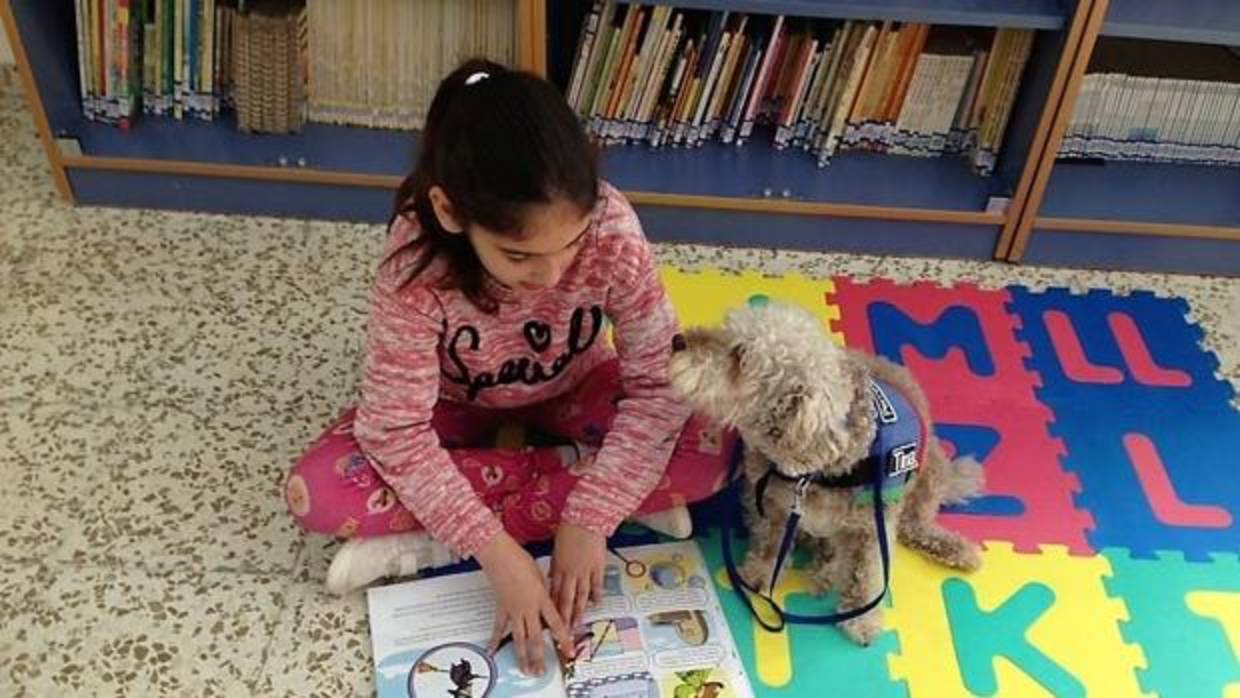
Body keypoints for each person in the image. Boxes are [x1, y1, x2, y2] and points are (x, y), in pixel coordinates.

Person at [284, 59, 735, 676]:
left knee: (718, 446)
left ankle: (437, 534)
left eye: (571, 244)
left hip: (573, 385)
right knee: (315, 493)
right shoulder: (415, 262)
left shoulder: (613, 231)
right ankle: (552, 493)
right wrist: (497, 553)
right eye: (518, 255)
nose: (551, 276)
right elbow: (395, 430)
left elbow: (659, 385)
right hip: (453, 404)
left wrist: (590, 514)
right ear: (449, 211)